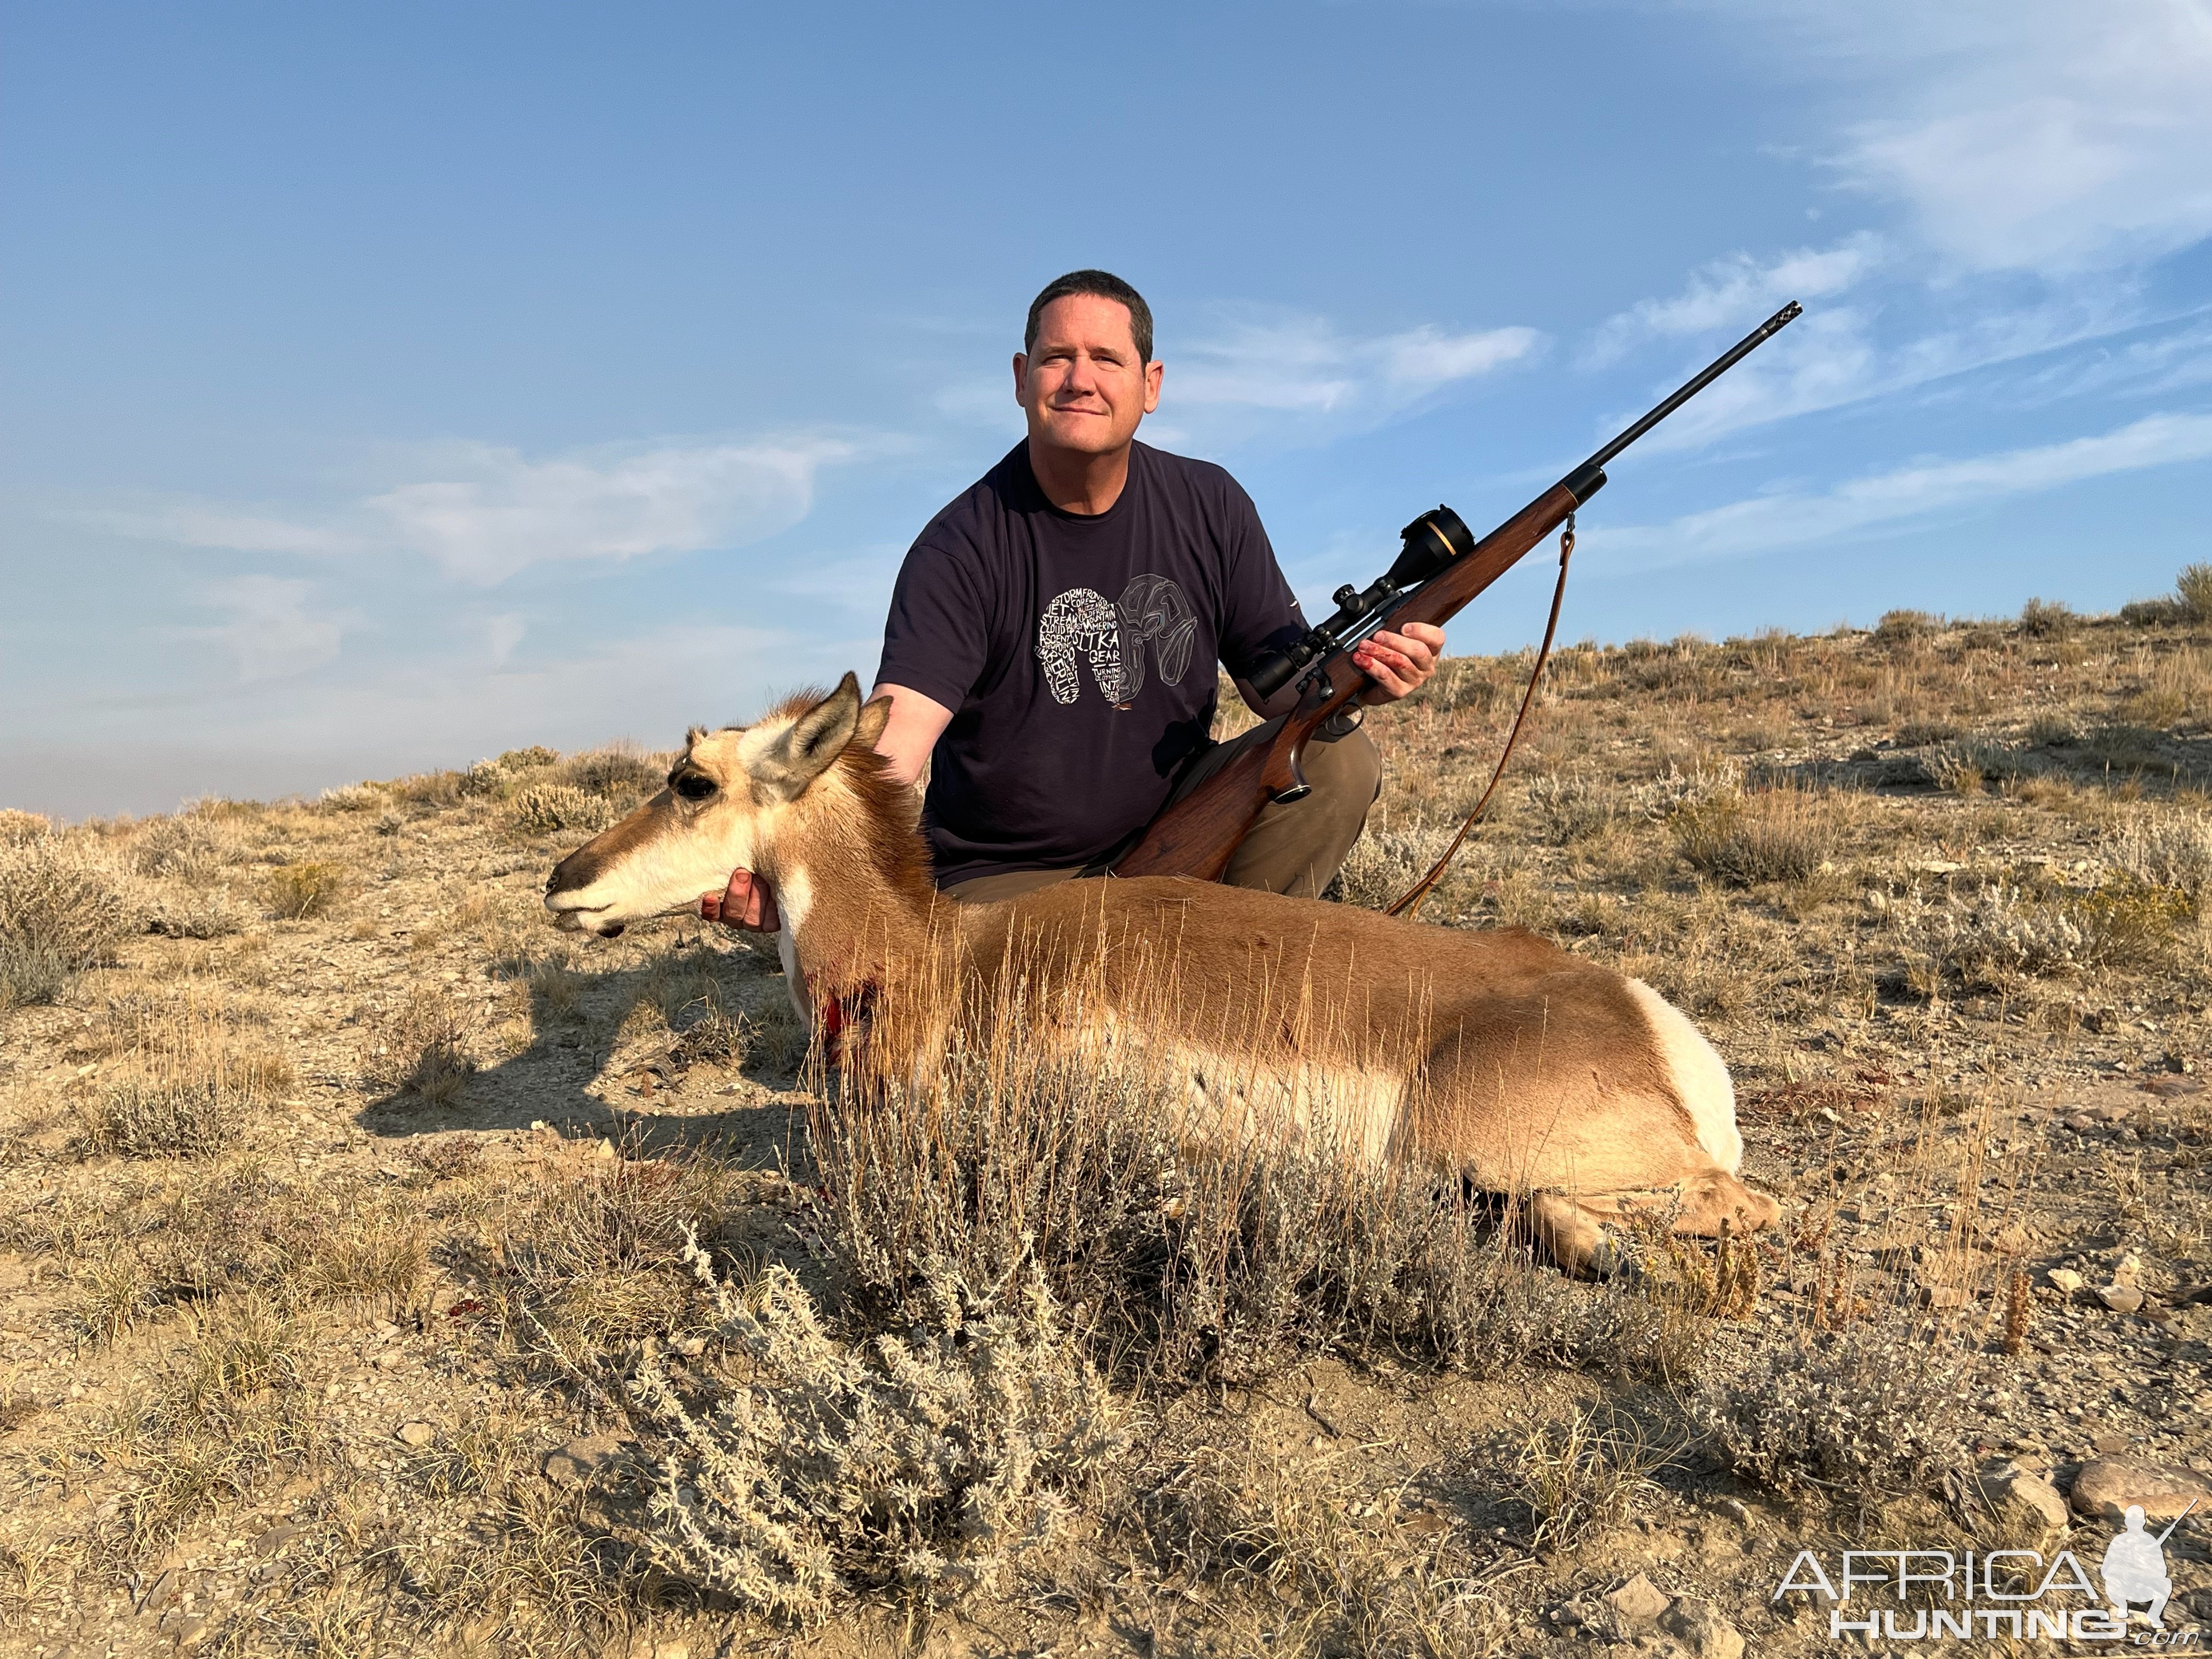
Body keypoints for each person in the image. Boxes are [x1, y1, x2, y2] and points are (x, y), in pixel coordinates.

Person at [702, 269, 1443, 932]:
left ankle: (1232, 972)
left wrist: (1367, 680)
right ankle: (1178, 974)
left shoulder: (1212, 504)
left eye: (1107, 360)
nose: (1080, 379)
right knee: (1042, 983)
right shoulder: (959, 546)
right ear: (1023, 377)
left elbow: (1278, 690)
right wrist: (805, 868)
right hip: (1010, 879)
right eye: (1058, 358)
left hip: (1182, 829)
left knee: (1340, 758)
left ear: (1150, 385)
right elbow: (896, 745)